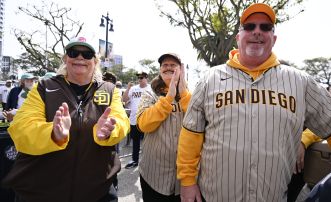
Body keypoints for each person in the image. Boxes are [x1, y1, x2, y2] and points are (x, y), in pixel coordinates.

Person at [176, 3, 331, 202]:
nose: (257, 31)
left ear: (274, 38)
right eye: (249, 26)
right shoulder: (209, 79)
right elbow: (191, 134)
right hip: (214, 196)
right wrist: (187, 181)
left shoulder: (300, 82)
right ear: (238, 37)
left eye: (265, 27)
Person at [2, 36, 130, 202]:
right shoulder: (43, 87)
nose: (79, 57)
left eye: (87, 54)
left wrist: (109, 131)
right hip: (40, 192)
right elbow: (21, 127)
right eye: (73, 52)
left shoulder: (109, 90)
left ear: (95, 61)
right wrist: (52, 134)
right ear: (65, 59)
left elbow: (122, 121)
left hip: (97, 191)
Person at [137, 53, 190, 201]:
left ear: (181, 69)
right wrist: (168, 98)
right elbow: (143, 124)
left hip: (183, 177)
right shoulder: (150, 92)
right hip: (154, 175)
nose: (168, 67)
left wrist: (183, 93)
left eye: (173, 65)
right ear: (160, 70)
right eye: (164, 65)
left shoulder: (191, 94)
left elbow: (198, 120)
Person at [122, 71, 151, 169]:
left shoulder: (150, 88)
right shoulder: (133, 89)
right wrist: (128, 88)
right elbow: (124, 100)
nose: (139, 79)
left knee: (148, 142)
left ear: (146, 78)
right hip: (134, 119)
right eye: (138, 77)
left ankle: (147, 162)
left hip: (147, 119)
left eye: (142, 77)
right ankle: (135, 160)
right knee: (135, 142)